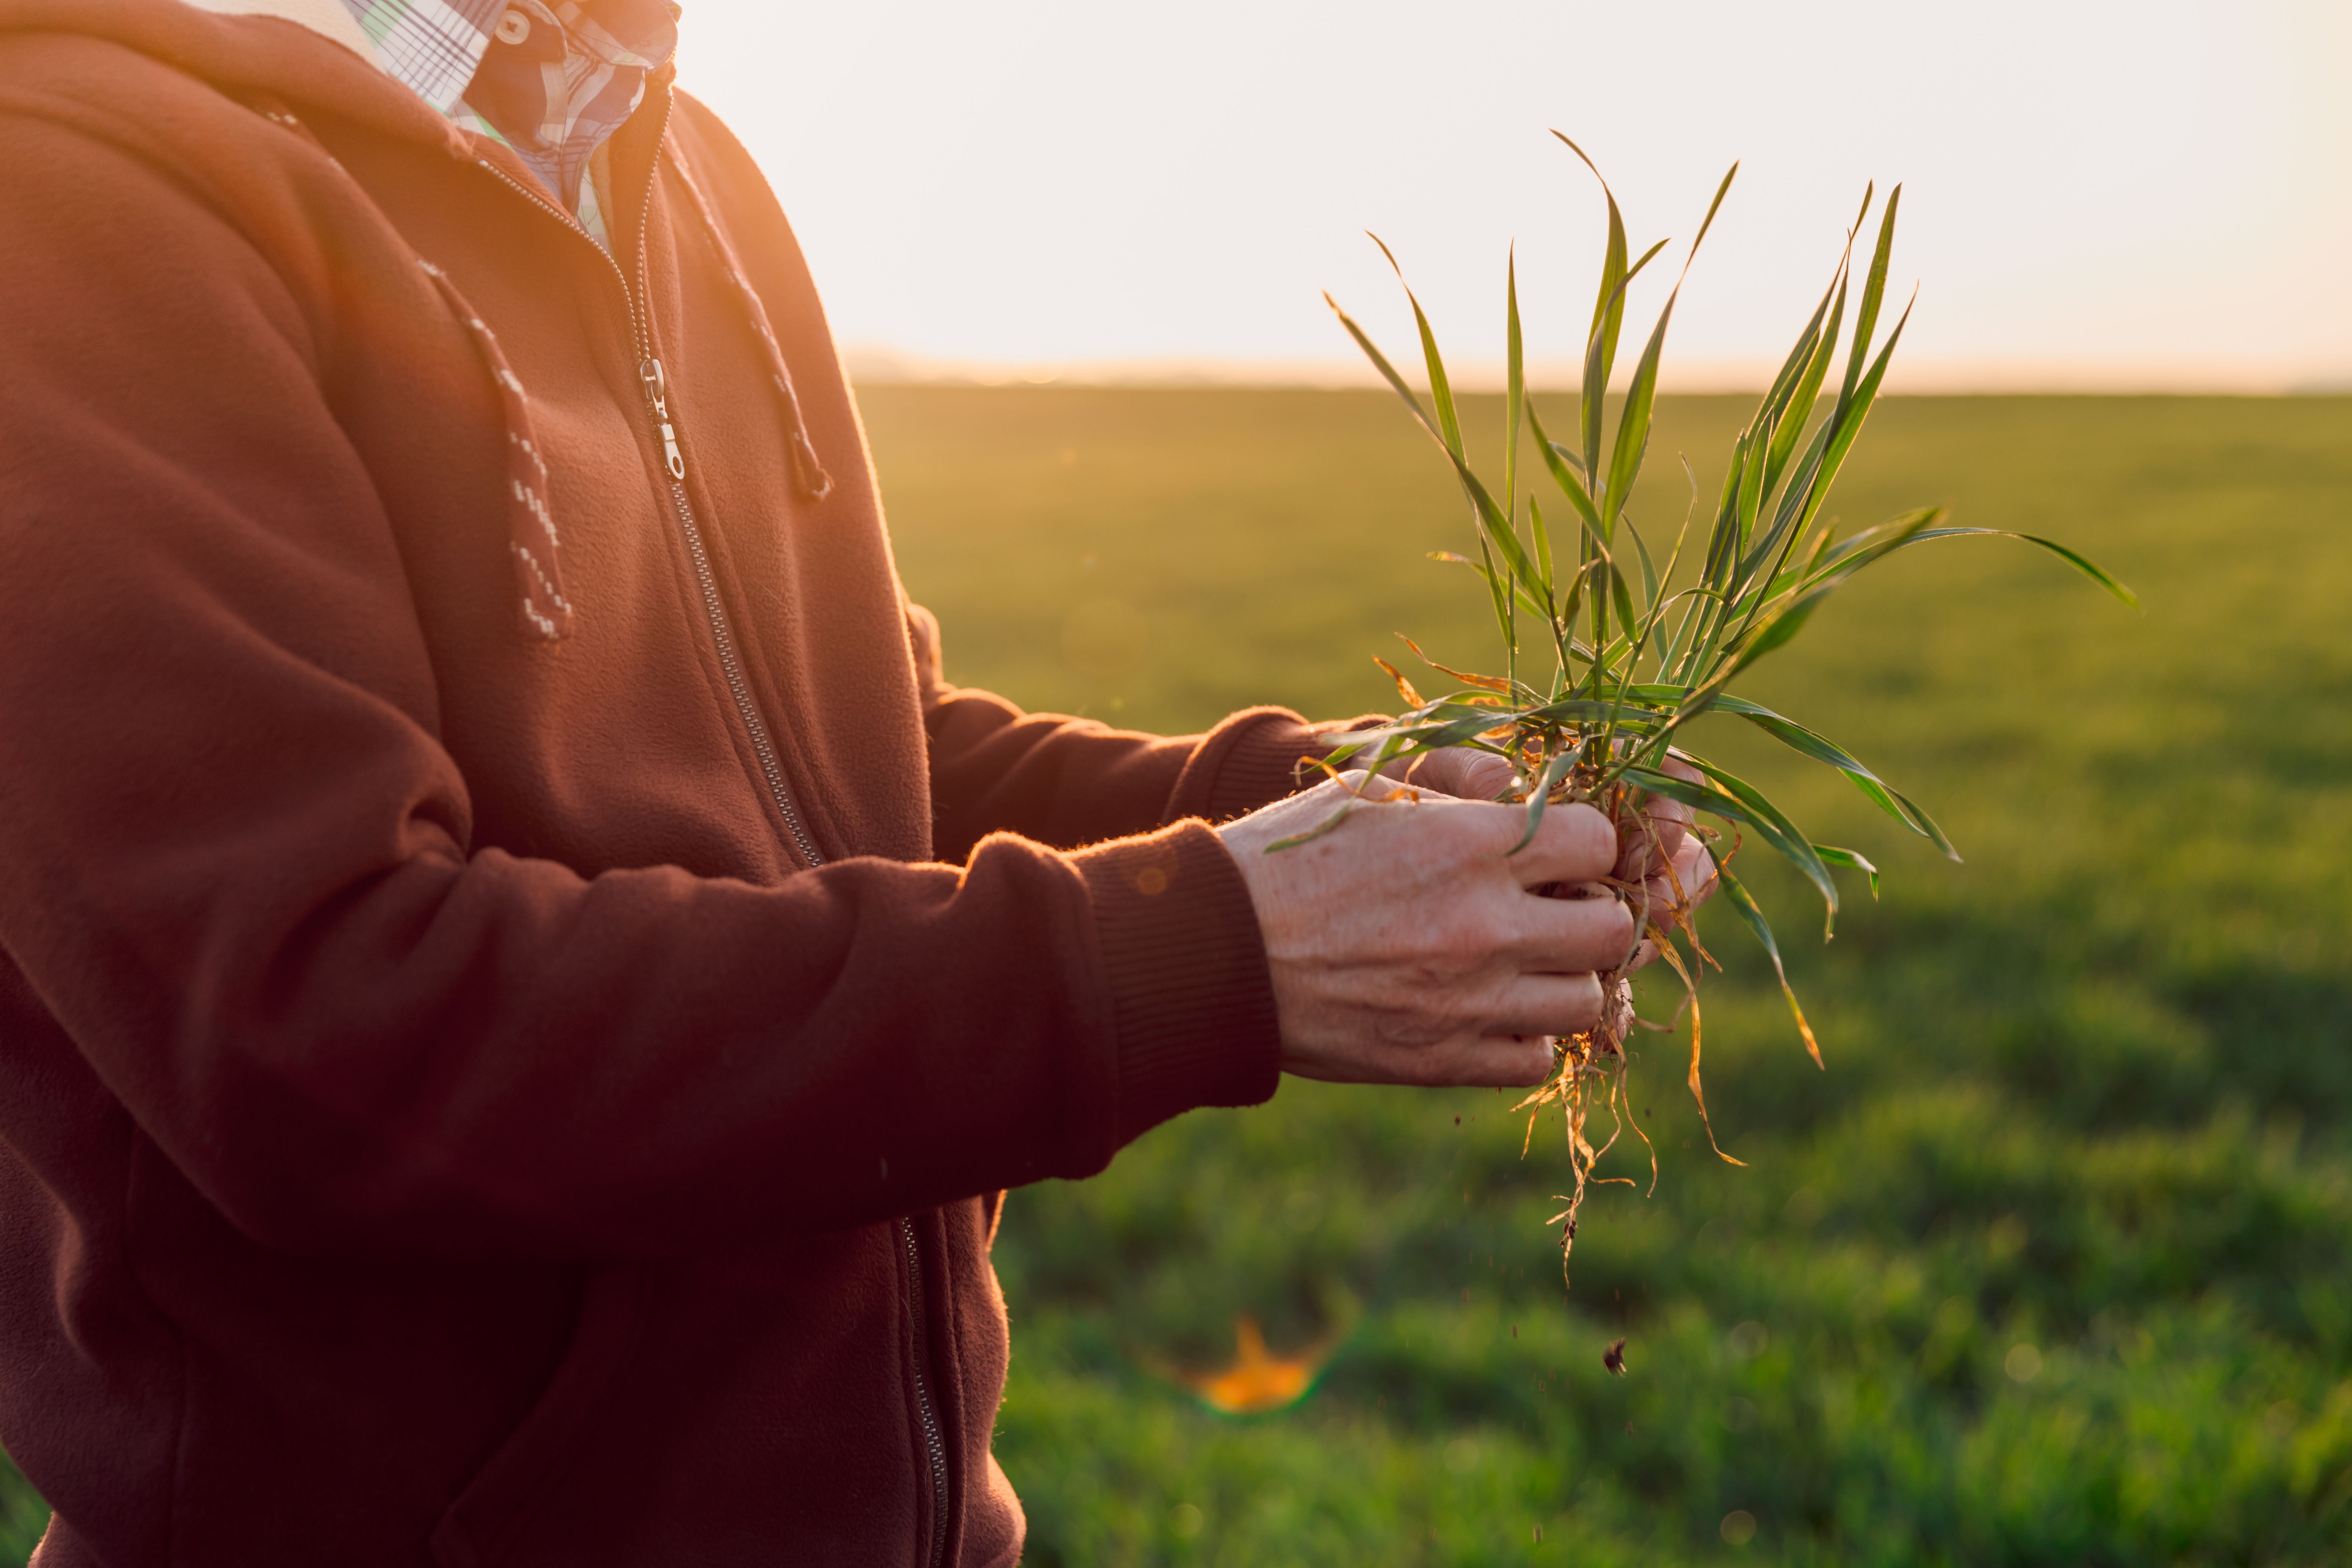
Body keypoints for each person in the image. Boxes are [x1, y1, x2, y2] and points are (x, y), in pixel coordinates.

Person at [0, 1, 1711, 1562]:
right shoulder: (72, 201)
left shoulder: (675, 164)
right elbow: (332, 1028)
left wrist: (1310, 799)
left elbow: (866, 761)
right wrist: (1213, 943)